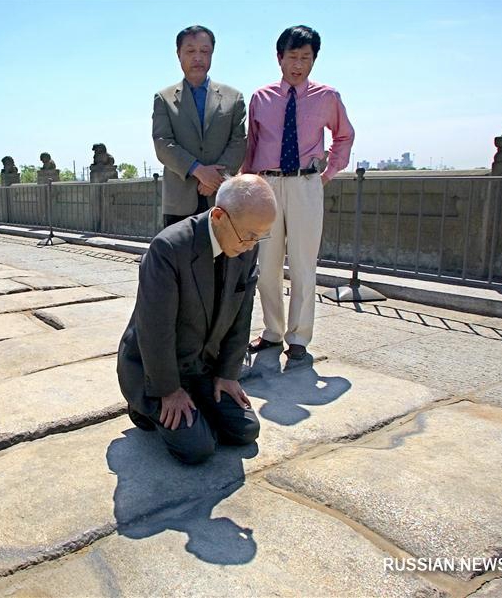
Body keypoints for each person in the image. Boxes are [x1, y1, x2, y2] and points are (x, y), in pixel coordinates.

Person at [117, 174, 277, 464]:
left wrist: (228, 374)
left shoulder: (244, 248)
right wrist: (168, 391)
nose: (253, 245)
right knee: (197, 448)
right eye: (249, 235)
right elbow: (155, 330)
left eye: (260, 236)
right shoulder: (168, 249)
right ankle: (144, 408)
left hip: (203, 367)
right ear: (218, 216)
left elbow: (242, 316)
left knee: (244, 431)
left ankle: (198, 407)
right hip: (159, 370)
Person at [242, 25, 355, 360]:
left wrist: (329, 171)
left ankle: (300, 339)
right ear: (279, 58)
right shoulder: (261, 98)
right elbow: (252, 146)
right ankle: (273, 332)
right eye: (292, 57)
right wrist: (245, 187)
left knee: (305, 265)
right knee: (268, 264)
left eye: (306, 57)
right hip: (267, 185)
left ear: (314, 59)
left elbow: (344, 136)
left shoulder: (327, 97)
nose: (298, 64)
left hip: (306, 184)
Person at [153, 25, 247, 229]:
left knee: (224, 260)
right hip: (179, 203)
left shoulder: (234, 97)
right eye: (190, 51)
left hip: (223, 200)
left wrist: (215, 178)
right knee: (180, 260)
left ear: (212, 54)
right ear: (179, 55)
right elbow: (162, 143)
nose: (198, 57)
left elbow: (239, 142)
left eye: (204, 51)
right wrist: (197, 170)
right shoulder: (164, 98)